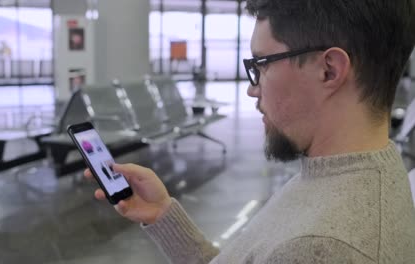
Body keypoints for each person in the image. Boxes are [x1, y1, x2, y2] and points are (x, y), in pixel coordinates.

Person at [85, 0, 415, 263]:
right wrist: (163, 215)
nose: (252, 90)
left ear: (328, 70)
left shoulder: (323, 248)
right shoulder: (356, 170)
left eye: (262, 64)